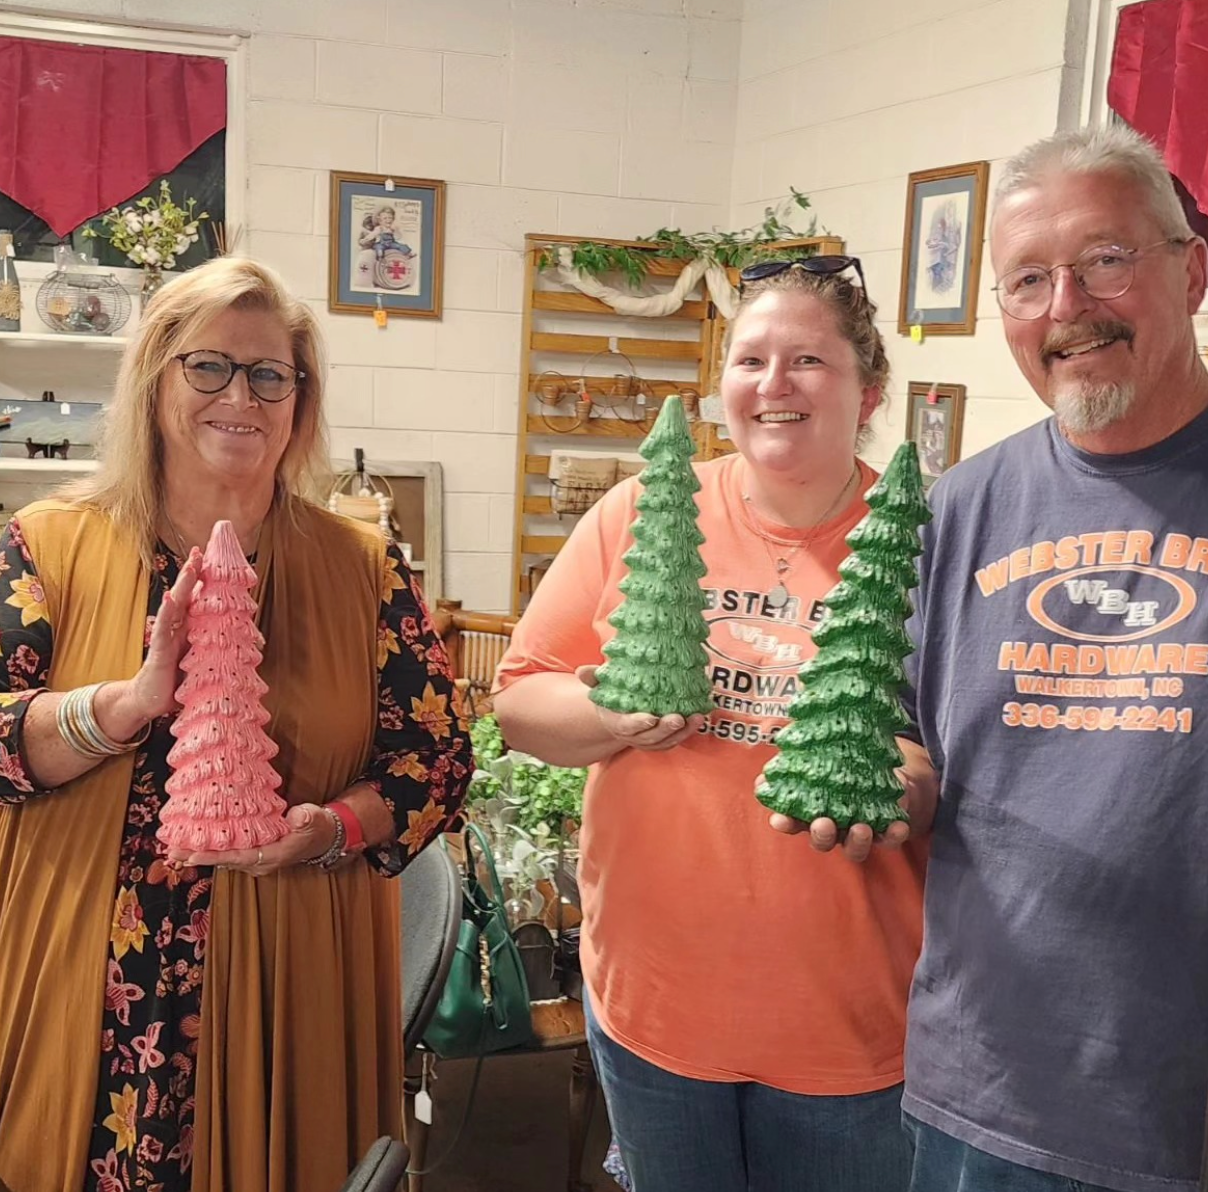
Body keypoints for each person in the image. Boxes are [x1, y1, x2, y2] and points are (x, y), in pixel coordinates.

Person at [0, 257, 472, 1192]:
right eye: (208, 366)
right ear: (154, 381)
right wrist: (125, 706)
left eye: (269, 375)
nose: (241, 398)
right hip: (84, 977)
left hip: (291, 971)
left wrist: (330, 829)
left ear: (300, 400)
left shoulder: (364, 568)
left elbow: (439, 758)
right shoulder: (46, 543)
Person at [493, 256, 934, 1191]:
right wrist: (614, 714)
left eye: (808, 360)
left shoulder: (920, 539)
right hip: (656, 1005)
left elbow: (957, 760)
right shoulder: (643, 513)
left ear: (869, 391)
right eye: (751, 360)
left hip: (849, 1024)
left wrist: (906, 789)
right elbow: (520, 704)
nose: (775, 385)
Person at [900, 124, 1208, 1192]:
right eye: (1027, 280)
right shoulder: (955, 510)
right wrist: (881, 783)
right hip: (983, 1094)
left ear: (1192, 272)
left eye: (1105, 259)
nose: (1066, 306)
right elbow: (904, 739)